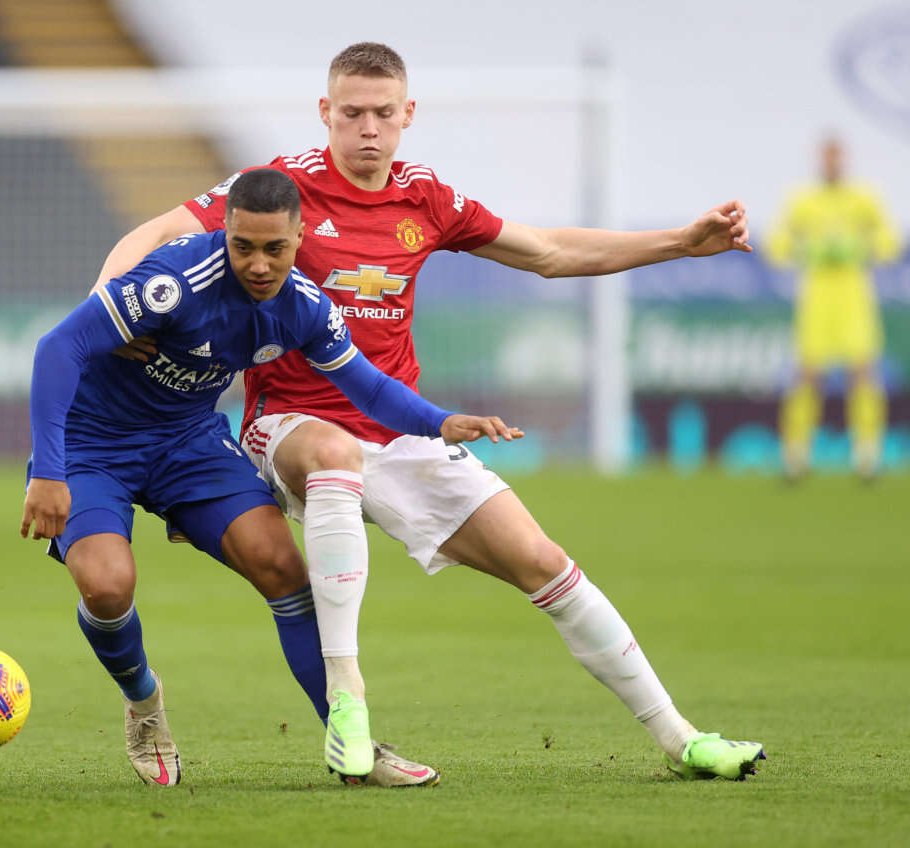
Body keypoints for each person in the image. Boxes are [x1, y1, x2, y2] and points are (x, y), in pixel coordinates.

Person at [97, 42, 767, 782]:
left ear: (408, 113)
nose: (368, 129)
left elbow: (547, 251)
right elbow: (158, 230)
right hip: (289, 424)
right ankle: (347, 699)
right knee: (333, 456)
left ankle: (682, 739)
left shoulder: (426, 199)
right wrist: (107, 306)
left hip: (399, 430)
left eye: (383, 113)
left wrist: (680, 243)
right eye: (352, 113)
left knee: (544, 562)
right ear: (326, 112)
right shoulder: (285, 188)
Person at [22, 167, 517, 787]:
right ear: (225, 232)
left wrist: (439, 421)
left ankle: (351, 744)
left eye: (275, 248)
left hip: (187, 443)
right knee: (106, 587)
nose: (258, 264)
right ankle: (144, 702)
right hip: (94, 444)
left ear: (300, 238)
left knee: (282, 566)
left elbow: (367, 387)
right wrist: (49, 472)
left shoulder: (303, 306)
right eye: (243, 246)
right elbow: (57, 348)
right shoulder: (173, 283)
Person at [768, 136, 902, 480]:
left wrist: (860, 248)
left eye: (837, 157)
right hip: (816, 297)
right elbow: (777, 245)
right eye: (827, 157)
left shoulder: (864, 199)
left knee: (864, 371)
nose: (832, 164)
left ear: (845, 160)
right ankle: (796, 455)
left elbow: (891, 242)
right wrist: (806, 251)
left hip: (854, 296)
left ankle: (867, 455)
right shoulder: (803, 201)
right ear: (819, 160)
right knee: (808, 374)